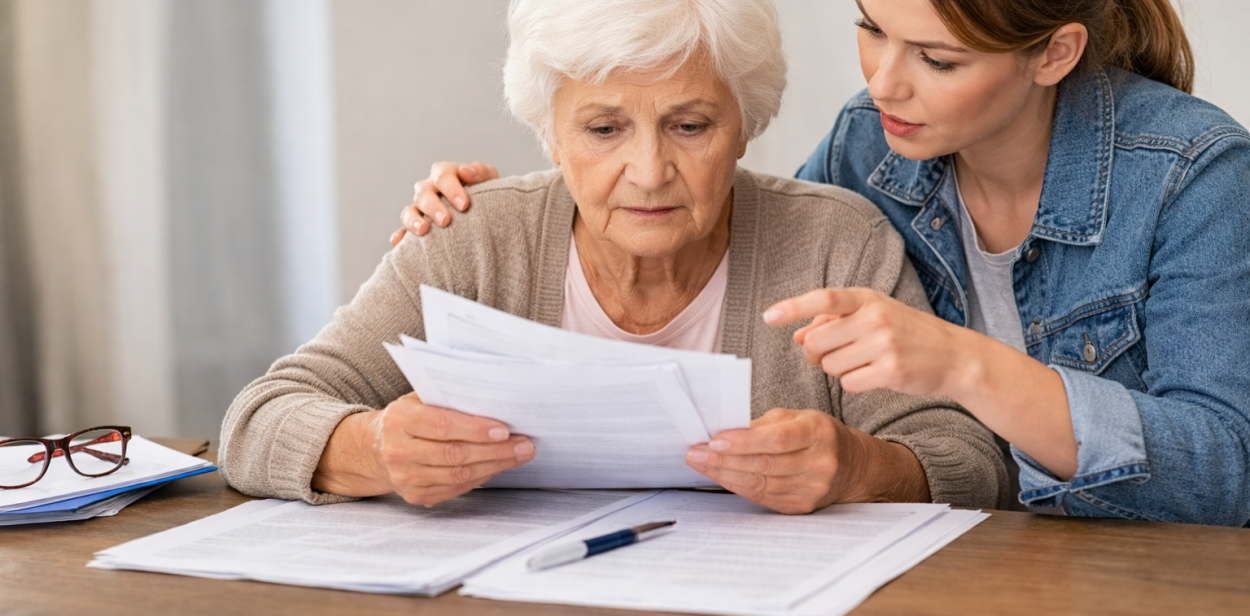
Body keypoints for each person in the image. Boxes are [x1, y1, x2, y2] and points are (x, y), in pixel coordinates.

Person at [398, 0, 1250, 525]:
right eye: (871, 30)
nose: (884, 82)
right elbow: (749, 239)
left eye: (937, 59)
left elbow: (1225, 476)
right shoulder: (869, 146)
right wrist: (513, 204)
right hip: (960, 558)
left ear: (1053, 54)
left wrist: (965, 365)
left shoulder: (1193, 177)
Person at [219, 0, 1006, 513]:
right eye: (603, 130)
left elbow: (969, 459)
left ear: (747, 123)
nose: (649, 170)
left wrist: (860, 468)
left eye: (690, 126)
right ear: (548, 134)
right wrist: (373, 450)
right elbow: (256, 421)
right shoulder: (473, 236)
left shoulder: (839, 241)